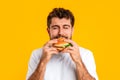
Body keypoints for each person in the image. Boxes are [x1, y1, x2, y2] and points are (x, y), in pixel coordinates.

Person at [26, 8, 98, 80]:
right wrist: (43, 62)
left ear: (72, 31)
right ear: (48, 31)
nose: (60, 32)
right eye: (55, 28)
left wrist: (79, 61)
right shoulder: (37, 54)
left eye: (65, 27)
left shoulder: (86, 54)